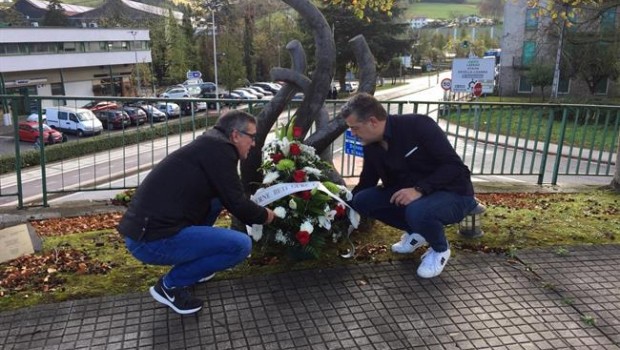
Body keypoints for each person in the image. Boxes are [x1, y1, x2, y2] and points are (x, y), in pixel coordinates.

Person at [117, 110, 276, 315]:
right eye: (252, 137)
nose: (253, 143)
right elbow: (237, 203)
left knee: (216, 200)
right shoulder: (221, 152)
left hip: (146, 231)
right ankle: (170, 286)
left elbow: (227, 197)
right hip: (149, 241)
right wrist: (267, 216)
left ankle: (196, 270)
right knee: (240, 245)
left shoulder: (210, 145)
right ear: (236, 135)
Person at [341, 93, 478, 278]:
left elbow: (454, 166)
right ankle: (418, 232)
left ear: (372, 121)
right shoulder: (371, 145)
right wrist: (342, 204)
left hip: (453, 193)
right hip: (413, 198)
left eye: (355, 128)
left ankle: (440, 249)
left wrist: (419, 190)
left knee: (417, 211)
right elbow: (367, 182)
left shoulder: (418, 125)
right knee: (363, 200)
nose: (353, 134)